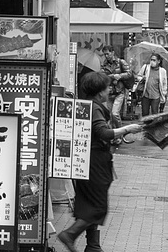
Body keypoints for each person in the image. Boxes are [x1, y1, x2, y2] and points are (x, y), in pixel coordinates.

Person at [57, 72, 142, 252]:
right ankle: (70, 234)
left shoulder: (88, 105)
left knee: (89, 204)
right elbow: (102, 133)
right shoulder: (95, 108)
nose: (109, 90)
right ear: (98, 92)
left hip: (87, 160)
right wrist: (128, 129)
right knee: (98, 206)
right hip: (94, 162)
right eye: (107, 87)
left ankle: (93, 246)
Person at [100, 46, 133, 140]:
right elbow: (102, 76)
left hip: (119, 92)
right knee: (110, 115)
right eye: (105, 54)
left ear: (112, 52)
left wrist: (120, 76)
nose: (106, 56)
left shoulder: (121, 62)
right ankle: (114, 136)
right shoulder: (104, 64)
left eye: (108, 53)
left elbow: (129, 73)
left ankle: (120, 134)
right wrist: (112, 77)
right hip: (109, 92)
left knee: (115, 113)